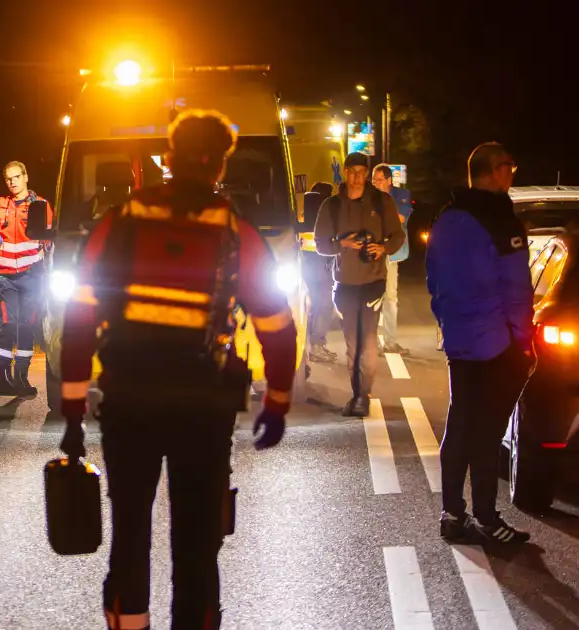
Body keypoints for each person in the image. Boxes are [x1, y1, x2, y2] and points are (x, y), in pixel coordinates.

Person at [58, 110, 297, 630]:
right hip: (203, 407)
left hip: (129, 401)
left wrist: (74, 410)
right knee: (196, 545)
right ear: (221, 165)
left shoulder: (120, 222)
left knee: (130, 539)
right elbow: (277, 324)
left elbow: (79, 316)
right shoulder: (236, 230)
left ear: (169, 155)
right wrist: (277, 401)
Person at [427, 142, 534, 544]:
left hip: (460, 341)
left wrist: (449, 322)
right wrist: (522, 340)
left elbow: (433, 281)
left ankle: (453, 514)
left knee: (459, 426)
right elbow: (517, 289)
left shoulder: (446, 218)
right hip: (496, 343)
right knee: (488, 433)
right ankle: (487, 520)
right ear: (495, 171)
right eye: (510, 166)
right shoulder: (499, 220)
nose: (512, 173)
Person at [313, 152, 406, 417]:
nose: (356, 177)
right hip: (344, 284)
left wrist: (383, 247)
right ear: (344, 172)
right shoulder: (332, 206)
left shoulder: (381, 201)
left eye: (361, 172)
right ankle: (357, 394)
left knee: (367, 342)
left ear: (366, 174)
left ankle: (362, 397)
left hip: (373, 280)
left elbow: (397, 236)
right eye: (351, 171)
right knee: (352, 343)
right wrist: (343, 244)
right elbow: (320, 244)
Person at [0, 161, 53, 396]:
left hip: (32, 275)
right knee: (7, 324)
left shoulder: (40, 205)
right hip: (5, 277)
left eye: (16, 177)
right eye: (8, 178)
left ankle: (21, 377)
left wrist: (48, 244)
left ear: (26, 177)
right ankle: (3, 377)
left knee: (26, 325)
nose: (12, 181)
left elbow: (50, 236)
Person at [372, 164, 414, 356]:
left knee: (390, 298)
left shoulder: (401, 195)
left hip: (390, 253)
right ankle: (371, 343)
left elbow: (400, 218)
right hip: (372, 253)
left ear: (389, 181)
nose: (376, 183)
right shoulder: (369, 197)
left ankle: (390, 341)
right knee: (371, 298)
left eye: (379, 180)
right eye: (373, 180)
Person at [303, 181, 339, 363]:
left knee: (312, 307)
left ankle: (312, 346)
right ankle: (316, 346)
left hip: (306, 267)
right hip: (321, 268)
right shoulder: (326, 217)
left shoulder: (303, 218)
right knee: (324, 305)